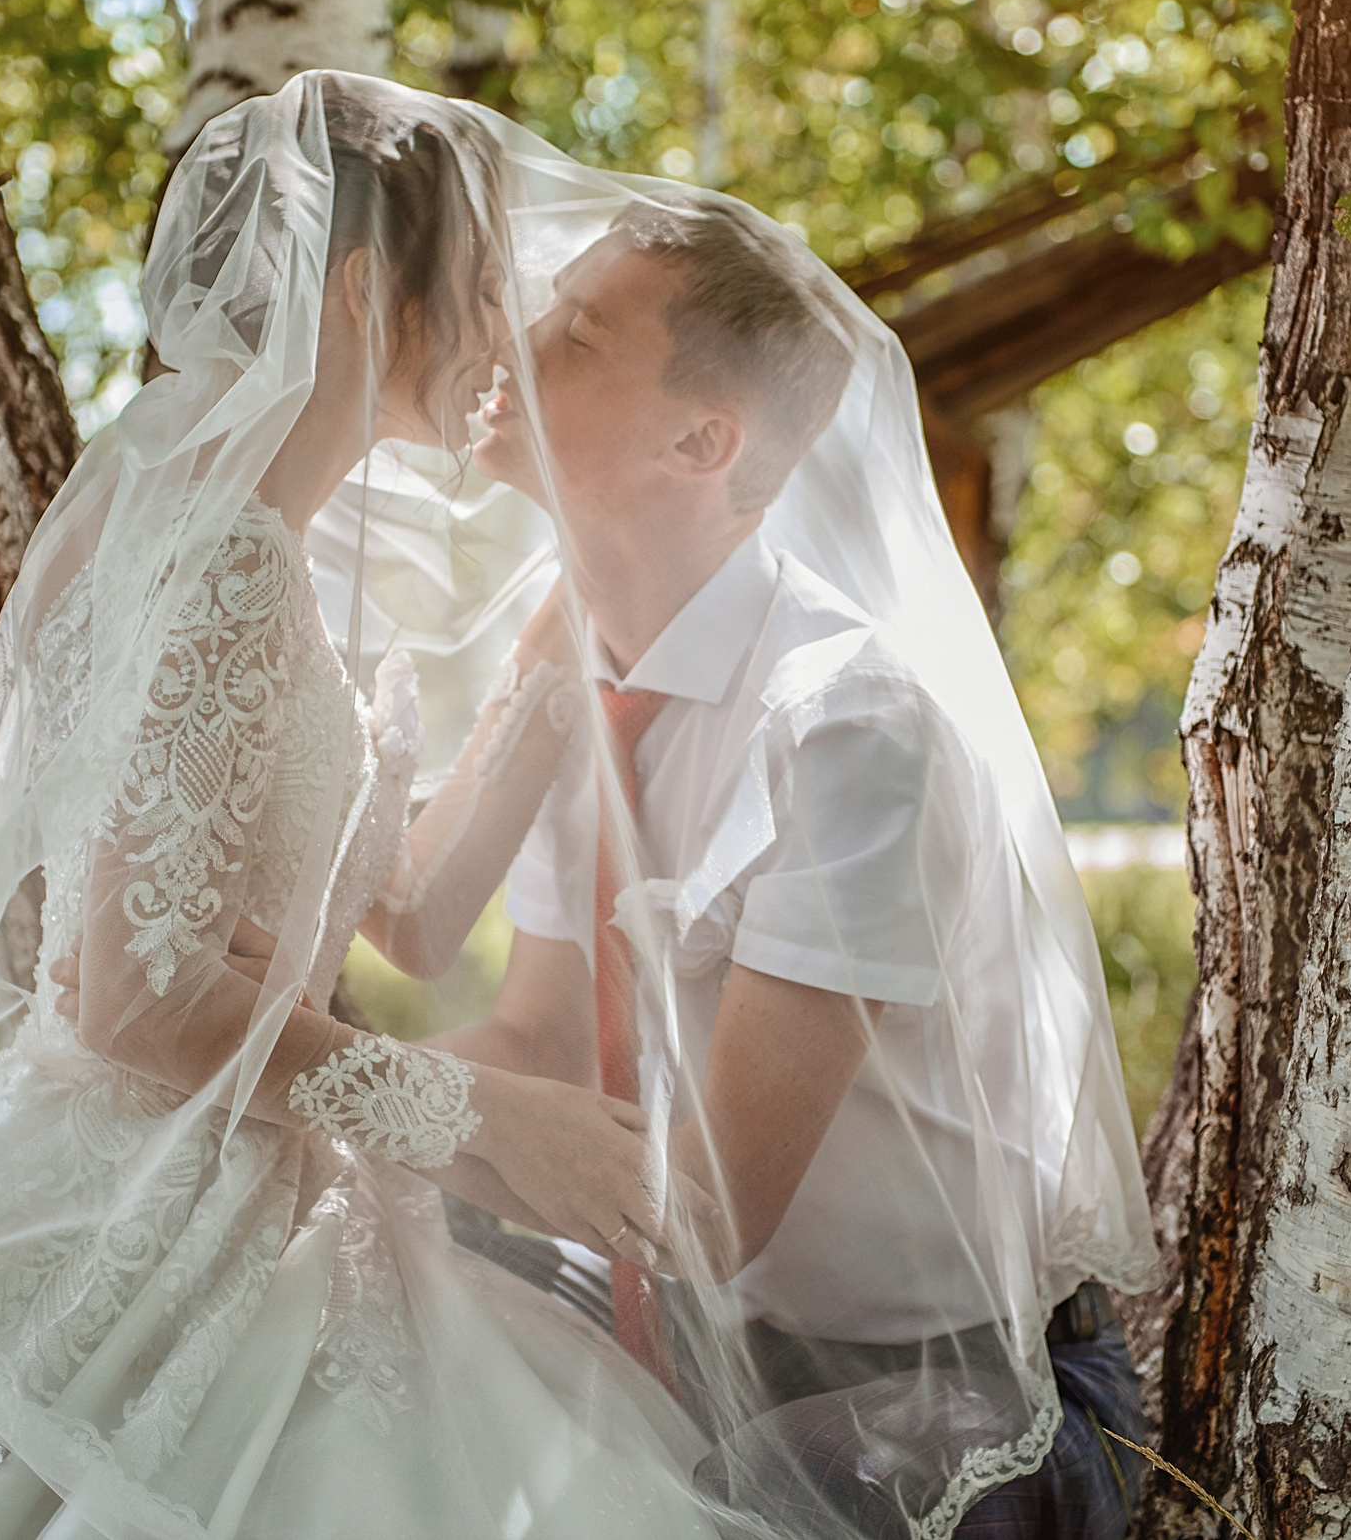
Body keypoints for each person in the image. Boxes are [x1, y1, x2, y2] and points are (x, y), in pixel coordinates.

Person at [0, 73, 725, 1540]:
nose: (498, 341)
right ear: (356, 291)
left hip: (242, 1186)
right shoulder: (221, 565)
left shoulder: (248, 541)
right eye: (472, 289)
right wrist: (484, 1114)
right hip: (137, 1216)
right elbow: (129, 996)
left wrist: (554, 652)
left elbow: (405, 911)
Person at [435, 190, 1162, 1540]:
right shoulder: (566, 678)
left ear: (703, 437)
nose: (516, 338)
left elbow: (711, 1210)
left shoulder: (846, 722)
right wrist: (290, 1098)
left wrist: (371, 1103)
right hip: (703, 1338)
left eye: (579, 331)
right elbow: (537, 1030)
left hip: (944, 1402)